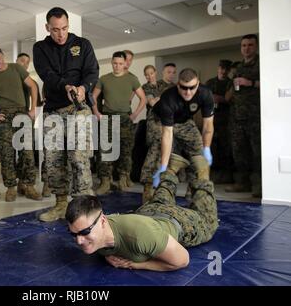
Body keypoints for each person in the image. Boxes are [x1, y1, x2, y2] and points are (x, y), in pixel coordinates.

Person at [66, 153, 218, 271]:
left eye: (85, 232)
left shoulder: (140, 236)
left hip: (175, 220)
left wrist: (136, 264)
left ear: (103, 221)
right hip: (147, 212)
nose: (79, 241)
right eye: (74, 234)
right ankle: (172, 169)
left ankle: (202, 174)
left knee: (207, 220)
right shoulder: (97, 230)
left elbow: (182, 260)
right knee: (161, 196)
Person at [33, 7, 99, 222]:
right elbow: (46, 74)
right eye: (55, 30)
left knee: (79, 158)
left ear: (68, 25)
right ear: (47, 28)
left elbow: (92, 71)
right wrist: (66, 86)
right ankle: (61, 204)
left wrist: (83, 88)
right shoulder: (40, 48)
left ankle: (85, 208)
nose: (60, 34)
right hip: (53, 110)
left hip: (78, 109)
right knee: (53, 160)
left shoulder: (83, 44)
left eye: (64, 28)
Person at [0, 46, 41, 202]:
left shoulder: (16, 68)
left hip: (21, 113)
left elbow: (32, 86)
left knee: (27, 153)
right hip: (4, 117)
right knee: (7, 154)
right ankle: (11, 188)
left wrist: (33, 109)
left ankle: (29, 186)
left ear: (3, 56)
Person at [150, 68, 214, 192]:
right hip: (159, 120)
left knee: (199, 154)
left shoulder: (205, 94)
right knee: (157, 152)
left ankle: (198, 193)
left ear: (198, 83)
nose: (188, 92)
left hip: (184, 121)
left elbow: (208, 125)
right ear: (178, 84)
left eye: (192, 87)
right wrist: (163, 166)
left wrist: (207, 148)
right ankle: (155, 193)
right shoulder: (168, 98)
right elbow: (167, 134)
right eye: (184, 88)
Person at [92, 51, 145, 194]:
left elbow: (143, 98)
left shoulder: (132, 79)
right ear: (111, 62)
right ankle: (105, 182)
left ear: (125, 64)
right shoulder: (104, 79)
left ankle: (123, 179)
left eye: (120, 63)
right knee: (105, 151)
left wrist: (134, 114)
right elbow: (93, 97)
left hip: (125, 119)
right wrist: (97, 113)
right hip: (108, 118)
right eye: (115, 63)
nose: (117, 66)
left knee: (125, 151)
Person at [225, 34, 261, 198]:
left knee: (257, 152)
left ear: (256, 46)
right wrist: (231, 90)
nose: (247, 48)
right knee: (239, 152)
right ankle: (242, 183)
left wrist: (250, 83)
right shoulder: (238, 67)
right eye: (244, 45)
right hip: (237, 117)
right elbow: (231, 92)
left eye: (250, 45)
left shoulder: (262, 63)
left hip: (255, 116)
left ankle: (261, 185)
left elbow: (272, 82)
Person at [15, 52, 50, 197]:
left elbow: (38, 102)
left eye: (27, 62)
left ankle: (27, 184)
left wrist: (33, 113)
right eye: (22, 60)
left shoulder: (32, 81)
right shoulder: (10, 76)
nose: (25, 63)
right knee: (16, 155)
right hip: (9, 119)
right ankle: (20, 183)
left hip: (26, 119)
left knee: (27, 154)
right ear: (16, 61)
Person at [140, 65, 172, 202]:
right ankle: (147, 186)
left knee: (163, 154)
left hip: (165, 123)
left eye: (151, 73)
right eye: (147, 74)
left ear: (155, 73)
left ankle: (158, 186)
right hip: (153, 123)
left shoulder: (161, 85)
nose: (149, 76)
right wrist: (163, 99)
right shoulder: (146, 87)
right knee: (154, 152)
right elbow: (152, 102)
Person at [205, 59, 234, 184]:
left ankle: (226, 175)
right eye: (221, 68)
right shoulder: (210, 82)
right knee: (210, 146)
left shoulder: (230, 83)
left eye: (226, 69)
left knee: (225, 147)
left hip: (226, 119)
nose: (223, 71)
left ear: (228, 71)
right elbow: (204, 97)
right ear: (218, 68)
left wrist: (219, 98)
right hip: (211, 118)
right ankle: (210, 173)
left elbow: (231, 99)